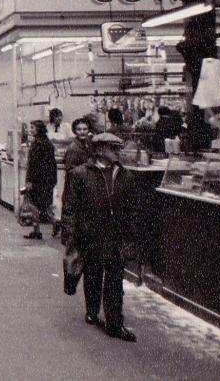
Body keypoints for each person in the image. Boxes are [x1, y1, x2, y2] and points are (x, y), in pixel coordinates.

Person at [61, 133, 140, 343]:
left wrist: (131, 238)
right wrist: (69, 234)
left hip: (116, 237)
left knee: (114, 281)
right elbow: (69, 207)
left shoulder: (126, 177)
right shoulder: (80, 174)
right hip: (90, 235)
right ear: (99, 150)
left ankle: (115, 324)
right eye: (113, 148)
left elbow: (132, 210)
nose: (117, 152)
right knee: (93, 275)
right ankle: (92, 311)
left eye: (118, 148)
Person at [24, 120, 57, 240]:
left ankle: (41, 228)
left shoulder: (37, 143)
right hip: (48, 179)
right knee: (45, 205)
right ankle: (43, 227)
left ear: (38, 129)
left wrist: (29, 180)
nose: (30, 130)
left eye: (32, 128)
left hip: (38, 180)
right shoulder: (47, 142)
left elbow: (33, 164)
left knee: (35, 205)